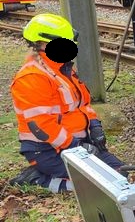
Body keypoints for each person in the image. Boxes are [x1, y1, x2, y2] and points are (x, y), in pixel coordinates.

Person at [9, 13, 123, 192]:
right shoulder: (32, 77)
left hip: (76, 144)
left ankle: (55, 175)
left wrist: (94, 126)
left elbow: (83, 105)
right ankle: (36, 179)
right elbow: (42, 126)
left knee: (120, 172)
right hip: (46, 150)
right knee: (102, 184)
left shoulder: (63, 69)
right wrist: (75, 146)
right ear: (40, 44)